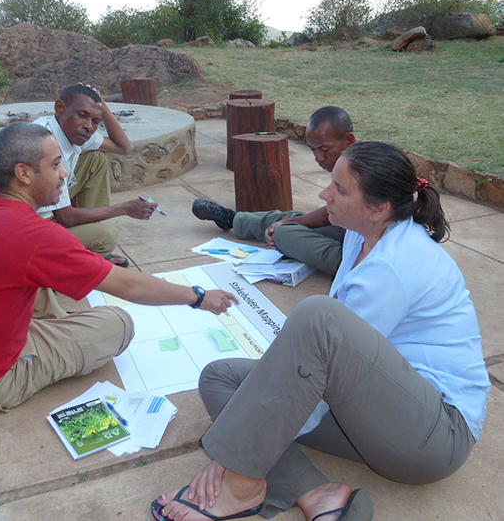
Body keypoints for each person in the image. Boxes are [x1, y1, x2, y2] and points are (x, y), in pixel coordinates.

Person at [152, 141, 489, 521]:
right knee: (220, 378)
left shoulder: (394, 265)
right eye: (332, 182)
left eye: (340, 190)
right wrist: (245, 435)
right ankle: (318, 495)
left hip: (433, 434)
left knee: (316, 318)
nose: (324, 194)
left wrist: (238, 455)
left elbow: (322, 360)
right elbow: (315, 372)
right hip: (372, 411)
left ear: (378, 208)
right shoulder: (360, 237)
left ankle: (243, 485)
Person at [0, 122, 236, 412]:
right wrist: (197, 296)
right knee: (118, 324)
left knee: (29, 279)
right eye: (56, 165)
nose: (65, 173)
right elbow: (130, 287)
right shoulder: (39, 237)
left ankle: (50, 327)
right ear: (24, 174)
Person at [0, 83, 155, 267]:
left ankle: (82, 248)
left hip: (36, 211)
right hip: (16, 230)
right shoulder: (47, 144)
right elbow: (66, 217)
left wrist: (101, 104)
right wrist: (126, 208)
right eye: (82, 115)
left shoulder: (72, 130)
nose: (88, 126)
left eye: (95, 121)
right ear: (59, 108)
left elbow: (124, 147)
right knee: (107, 236)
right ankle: (73, 259)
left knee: (95, 159)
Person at [192, 106, 355, 275]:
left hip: (356, 258)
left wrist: (289, 225)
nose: (318, 158)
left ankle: (281, 233)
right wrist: (291, 221)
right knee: (286, 218)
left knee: (282, 233)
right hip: (347, 233)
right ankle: (232, 219)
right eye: (312, 150)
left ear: (349, 140)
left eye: (324, 149)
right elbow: (331, 213)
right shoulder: (347, 165)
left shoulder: (365, 174)